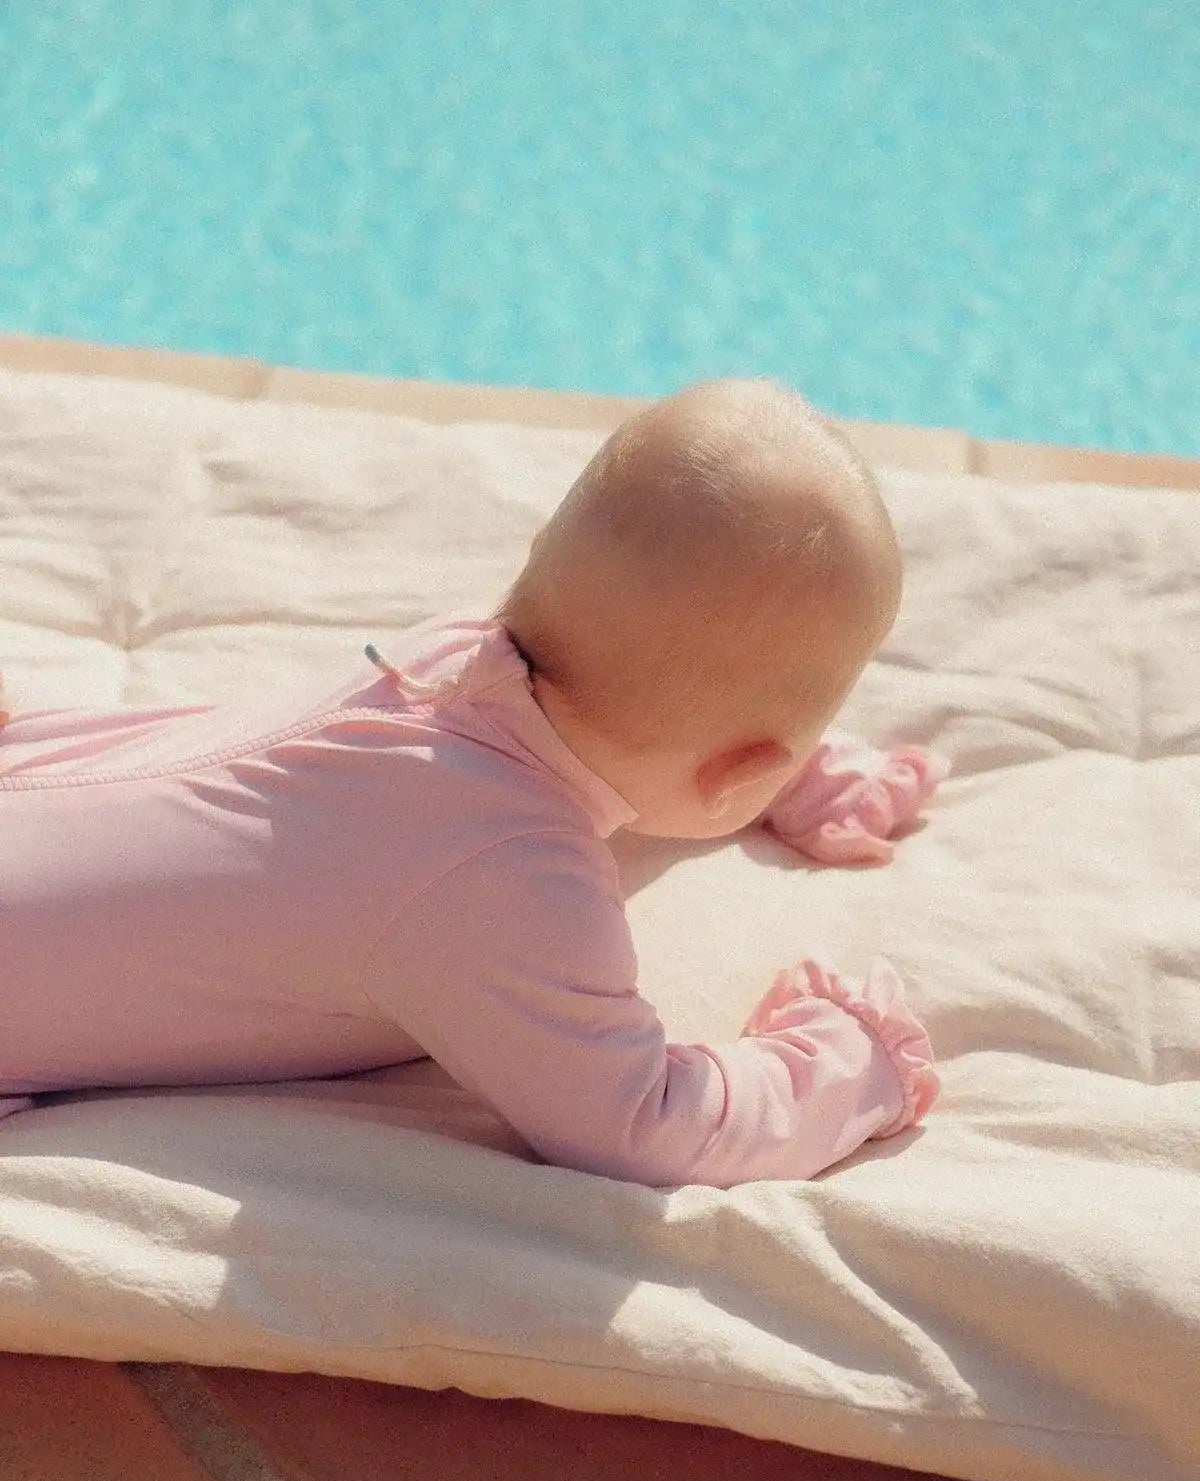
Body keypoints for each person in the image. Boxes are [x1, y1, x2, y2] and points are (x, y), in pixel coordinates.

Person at [0, 378, 947, 1186]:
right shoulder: (513, 889)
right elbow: (644, 1125)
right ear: (737, 772)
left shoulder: (452, 657)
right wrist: (849, 1060)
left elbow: (650, 723)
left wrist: (796, 773)